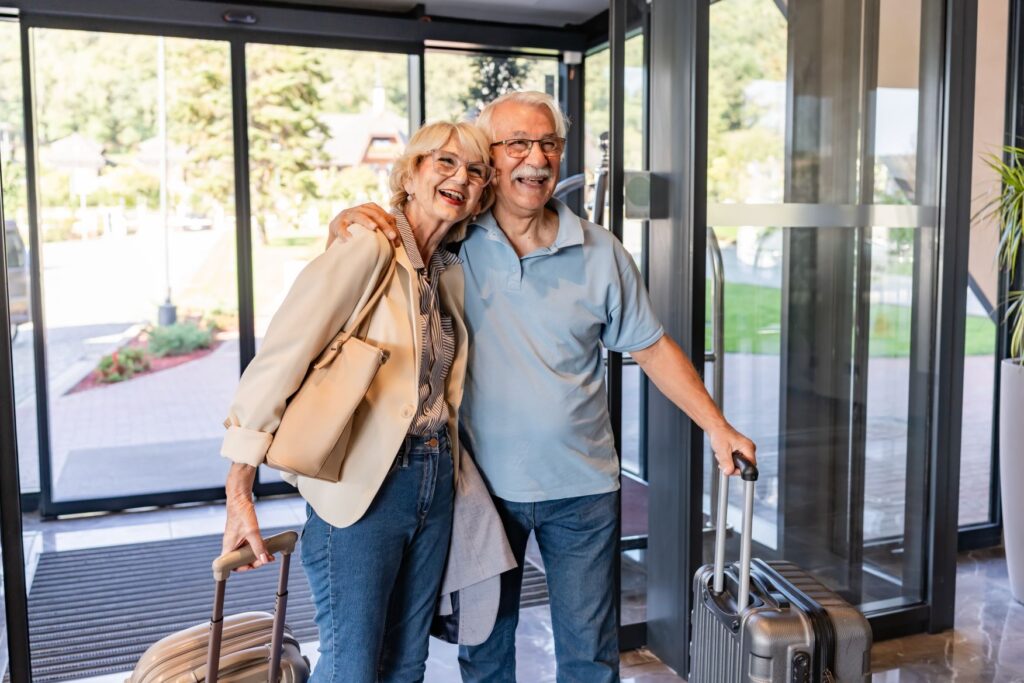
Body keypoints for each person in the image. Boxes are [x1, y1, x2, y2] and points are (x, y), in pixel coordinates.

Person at [329, 91, 756, 683]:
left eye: (549, 144)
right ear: (491, 160)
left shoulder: (601, 253)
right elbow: (398, 227)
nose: (537, 158)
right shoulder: (455, 242)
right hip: (480, 490)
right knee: (484, 652)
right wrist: (346, 218)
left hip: (581, 488)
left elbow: (651, 346)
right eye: (517, 145)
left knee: (589, 656)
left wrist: (717, 424)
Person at [219, 120, 495, 683]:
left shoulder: (447, 270)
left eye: (474, 171)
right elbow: (284, 353)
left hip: (434, 479)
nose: (459, 178)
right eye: (444, 162)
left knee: (408, 662)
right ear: (411, 173)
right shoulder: (368, 245)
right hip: (365, 489)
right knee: (354, 664)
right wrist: (238, 485)